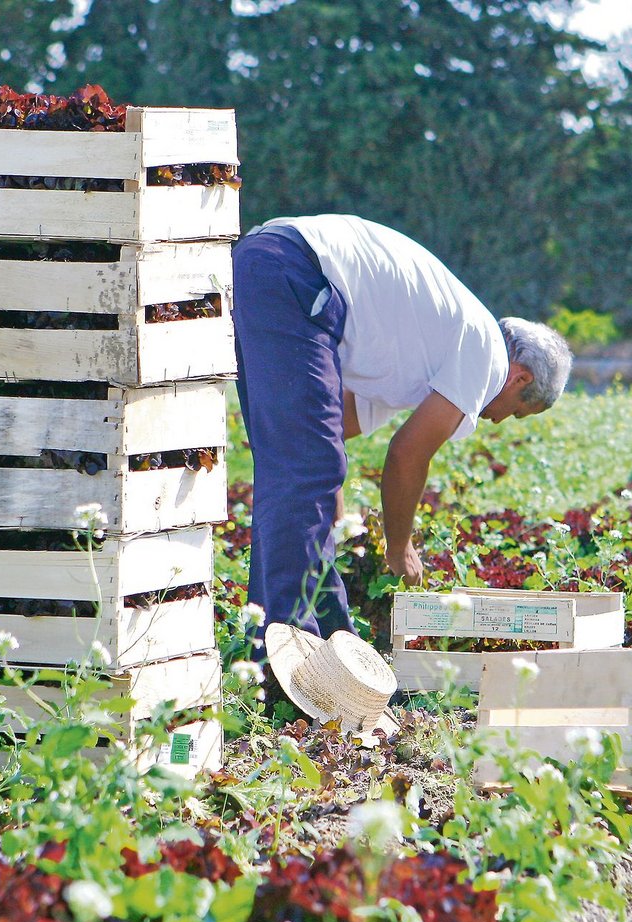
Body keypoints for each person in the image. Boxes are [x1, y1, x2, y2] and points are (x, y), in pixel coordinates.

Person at [231, 214, 573, 650]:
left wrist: (334, 525)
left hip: (267, 261)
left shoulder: (427, 351)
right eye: (518, 413)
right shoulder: (486, 354)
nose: (500, 419)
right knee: (303, 470)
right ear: (520, 379)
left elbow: (327, 432)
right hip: (295, 271)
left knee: (299, 466)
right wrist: (399, 547)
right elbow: (407, 454)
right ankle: (285, 650)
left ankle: (313, 639)